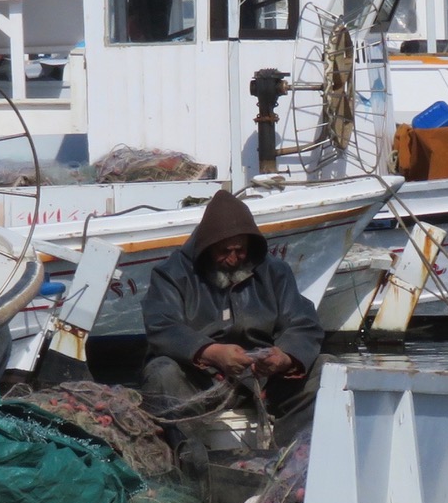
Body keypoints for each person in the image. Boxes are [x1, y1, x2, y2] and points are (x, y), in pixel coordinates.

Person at [139, 189, 327, 477]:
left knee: (324, 368)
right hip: (201, 380)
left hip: (263, 378)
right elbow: (162, 326)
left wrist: (285, 358)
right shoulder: (171, 274)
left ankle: (292, 462)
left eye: (240, 251)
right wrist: (211, 352)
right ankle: (192, 468)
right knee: (162, 371)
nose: (233, 258)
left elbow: (303, 323)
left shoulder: (275, 272)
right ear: (206, 248)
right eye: (224, 251)